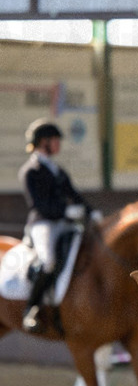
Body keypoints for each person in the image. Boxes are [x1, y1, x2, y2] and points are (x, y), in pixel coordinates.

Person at [18, 119, 95, 333]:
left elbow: (74, 194)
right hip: (43, 223)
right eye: (55, 140)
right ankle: (31, 309)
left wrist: (91, 212)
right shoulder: (30, 171)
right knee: (49, 261)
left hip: (65, 223)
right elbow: (38, 204)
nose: (58, 145)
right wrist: (65, 211)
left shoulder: (56, 169)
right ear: (43, 142)